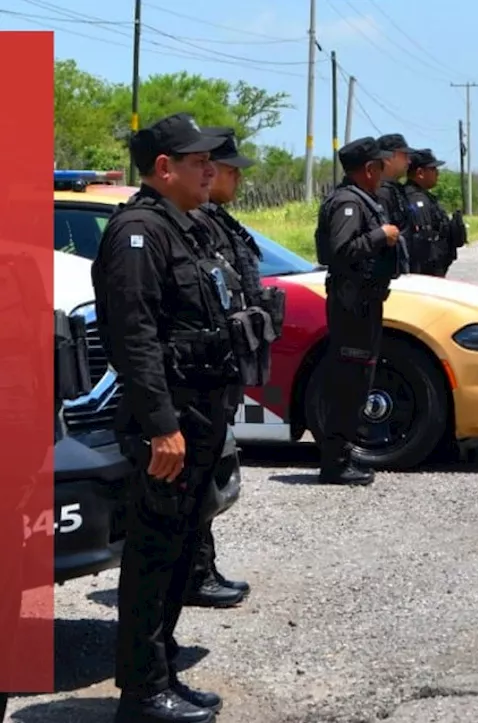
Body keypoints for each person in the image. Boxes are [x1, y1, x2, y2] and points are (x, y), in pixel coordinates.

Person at [92, 112, 253, 722]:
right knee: (154, 556)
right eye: (198, 161)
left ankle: (161, 675)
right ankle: (142, 692)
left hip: (200, 413)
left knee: (181, 551)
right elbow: (132, 339)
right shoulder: (138, 231)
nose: (211, 169)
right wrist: (162, 426)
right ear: (165, 168)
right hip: (169, 422)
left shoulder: (183, 226)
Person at [183, 126, 276, 609]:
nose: (237, 179)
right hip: (200, 373)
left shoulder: (216, 220)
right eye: (231, 170)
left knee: (211, 472)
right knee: (198, 479)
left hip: (225, 366)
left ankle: (202, 567)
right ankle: (195, 573)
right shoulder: (193, 221)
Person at [312, 137, 401, 485]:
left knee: (358, 380)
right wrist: (381, 235)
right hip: (352, 305)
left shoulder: (362, 199)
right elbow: (340, 250)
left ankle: (343, 457)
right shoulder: (348, 202)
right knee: (348, 382)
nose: (383, 172)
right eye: (379, 166)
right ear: (368, 169)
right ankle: (335, 463)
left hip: (364, 302)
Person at [402, 148, 455, 277]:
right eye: (433, 169)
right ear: (420, 172)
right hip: (425, 270)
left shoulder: (424, 197)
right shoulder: (416, 199)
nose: (437, 173)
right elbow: (424, 240)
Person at [374, 133, 414, 274]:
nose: (408, 161)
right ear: (388, 159)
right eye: (404, 156)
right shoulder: (382, 193)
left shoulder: (397, 190)